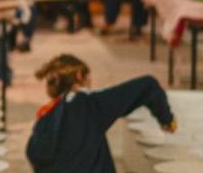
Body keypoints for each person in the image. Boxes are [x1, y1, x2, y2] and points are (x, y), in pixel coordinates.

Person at [26, 54, 175, 173]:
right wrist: (167, 120)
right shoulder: (85, 103)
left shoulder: (44, 117)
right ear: (79, 75)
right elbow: (148, 85)